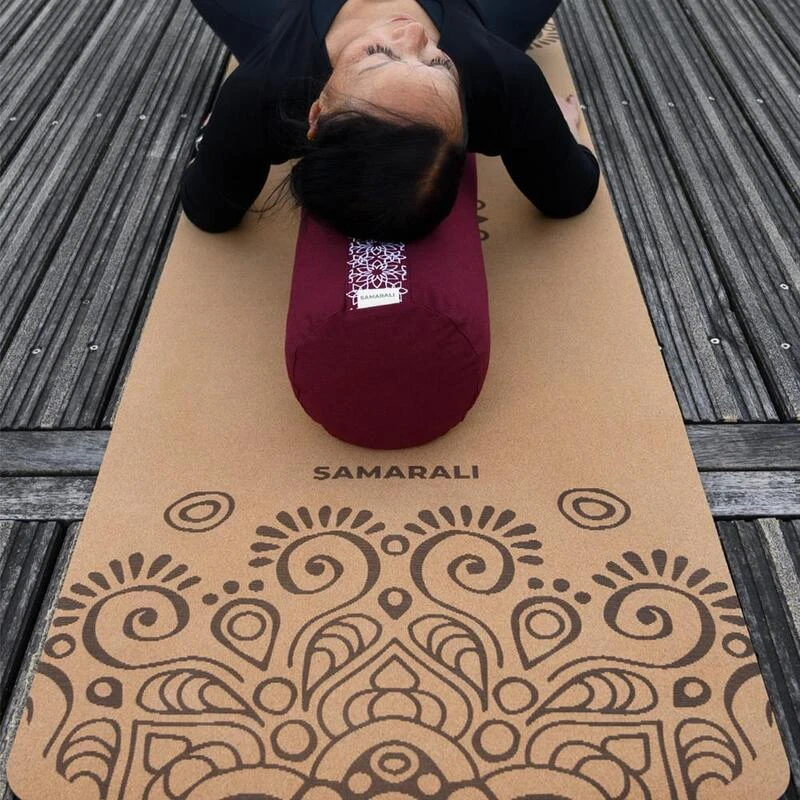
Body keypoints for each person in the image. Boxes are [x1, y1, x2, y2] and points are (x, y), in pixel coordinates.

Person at [181, 0, 599, 242]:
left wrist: (222, 137)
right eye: (439, 64)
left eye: (378, 54)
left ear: (317, 111)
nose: (414, 34)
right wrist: (546, 130)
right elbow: (570, 192)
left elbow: (209, 209)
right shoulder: (501, 81)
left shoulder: (263, 94)